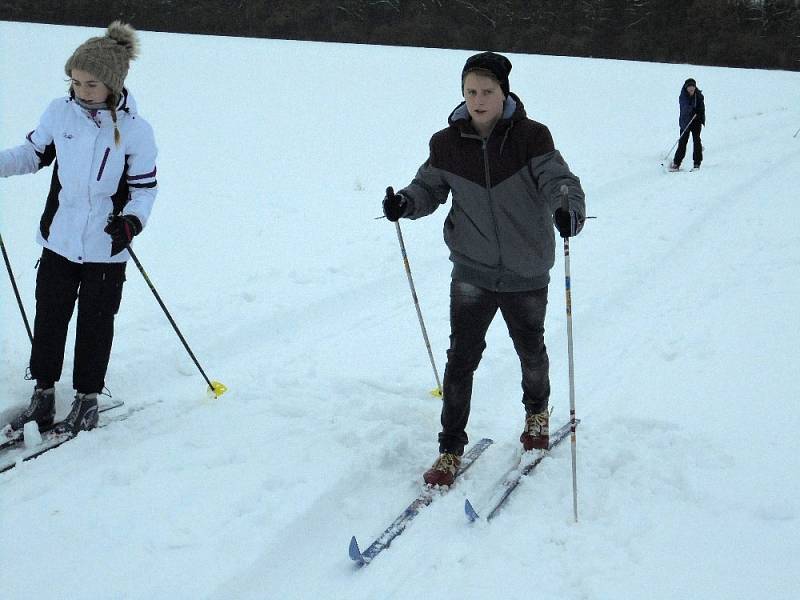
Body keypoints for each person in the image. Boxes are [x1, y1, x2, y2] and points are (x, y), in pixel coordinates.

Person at [383, 51, 586, 486]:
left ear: (503, 93)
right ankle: (450, 449)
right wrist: (405, 202)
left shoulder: (531, 137)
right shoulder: (446, 143)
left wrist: (568, 208)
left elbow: (559, 180)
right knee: (461, 359)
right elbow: (428, 187)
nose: (478, 99)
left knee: (530, 350)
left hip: (525, 269)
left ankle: (536, 415)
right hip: (472, 269)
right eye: (470, 91)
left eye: (487, 91)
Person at [0, 22, 158, 435]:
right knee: (49, 316)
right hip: (60, 238)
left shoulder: (136, 132)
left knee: (95, 321)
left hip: (107, 245)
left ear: (112, 83)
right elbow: (32, 154)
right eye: (75, 82)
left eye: (91, 83)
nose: (81, 90)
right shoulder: (59, 112)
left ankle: (87, 397)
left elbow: (144, 190)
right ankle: (44, 393)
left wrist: (131, 222)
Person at [669, 78, 705, 171]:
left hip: (696, 121)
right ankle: (676, 163)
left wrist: (699, 112)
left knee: (696, 141)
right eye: (689, 87)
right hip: (686, 121)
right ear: (686, 87)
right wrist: (692, 110)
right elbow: (684, 107)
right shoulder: (683, 96)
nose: (691, 89)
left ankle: (697, 163)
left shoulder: (699, 95)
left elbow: (702, 108)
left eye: (693, 86)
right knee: (682, 142)